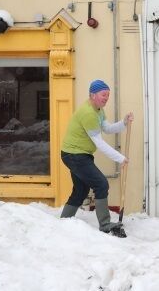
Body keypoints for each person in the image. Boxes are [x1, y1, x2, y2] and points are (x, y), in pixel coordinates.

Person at [59, 79, 133, 238]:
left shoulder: (99, 110)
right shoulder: (88, 113)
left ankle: (63, 222)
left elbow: (106, 128)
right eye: (103, 95)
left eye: (108, 95)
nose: (106, 98)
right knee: (101, 184)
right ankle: (105, 225)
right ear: (92, 95)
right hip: (74, 155)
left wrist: (124, 123)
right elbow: (99, 142)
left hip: (80, 154)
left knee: (81, 190)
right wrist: (120, 158)